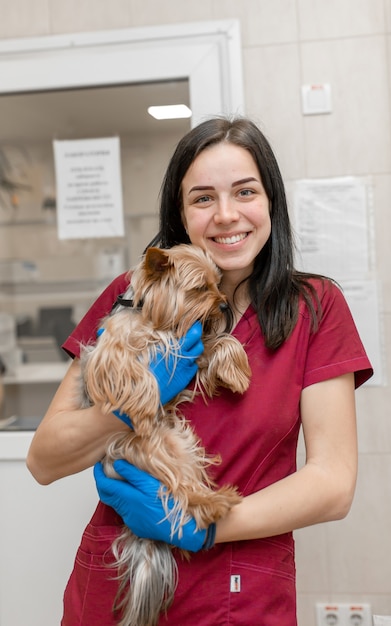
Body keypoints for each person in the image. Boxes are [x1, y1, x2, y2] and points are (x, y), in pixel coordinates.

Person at [26, 117, 373, 626]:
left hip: (239, 591)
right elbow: (43, 459)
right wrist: (126, 409)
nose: (227, 215)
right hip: (118, 585)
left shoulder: (314, 308)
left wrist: (204, 526)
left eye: (245, 192)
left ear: (271, 201)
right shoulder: (133, 294)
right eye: (203, 198)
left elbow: (333, 482)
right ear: (181, 213)